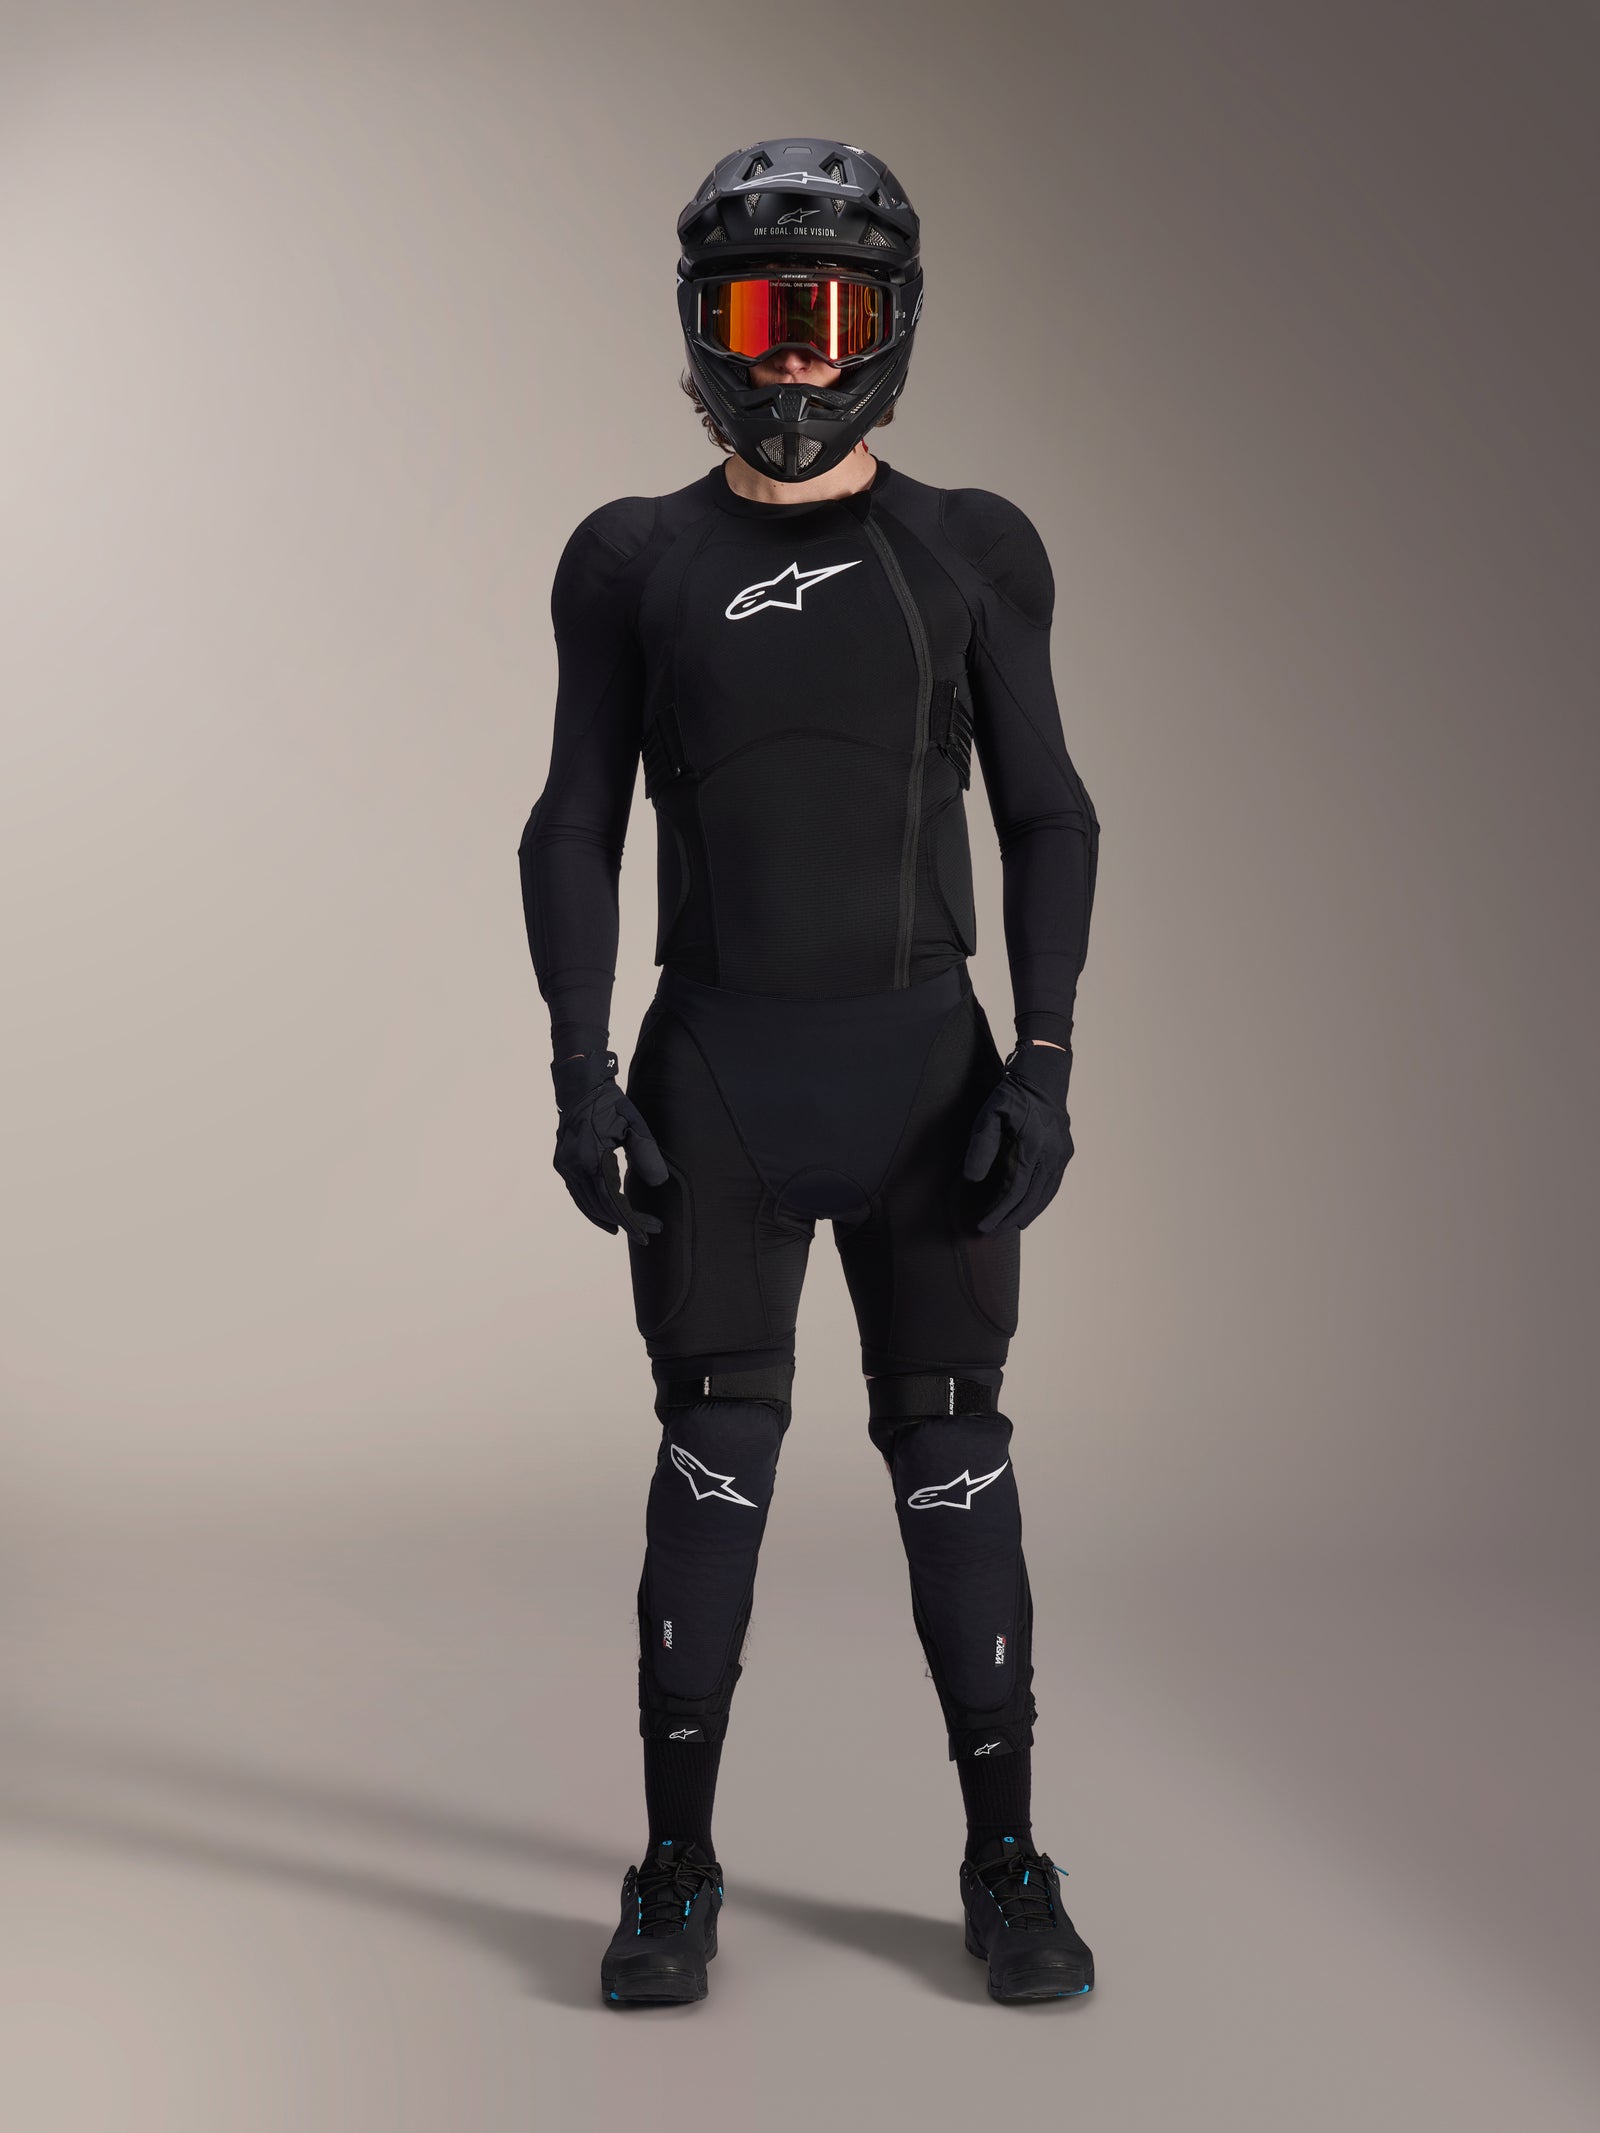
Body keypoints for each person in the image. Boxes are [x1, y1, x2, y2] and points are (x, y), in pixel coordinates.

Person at [517, 137, 1101, 2006]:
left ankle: (1006, 1859)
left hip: (929, 1078)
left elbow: (1050, 813)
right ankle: (675, 1868)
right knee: (715, 1453)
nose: (791, 356)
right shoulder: (635, 559)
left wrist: (1046, 1066)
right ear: (700, 327)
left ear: (892, 328)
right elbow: (571, 824)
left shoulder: (972, 548)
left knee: (954, 1453)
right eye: (757, 314)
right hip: (720, 1082)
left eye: (831, 315)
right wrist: (579, 1072)